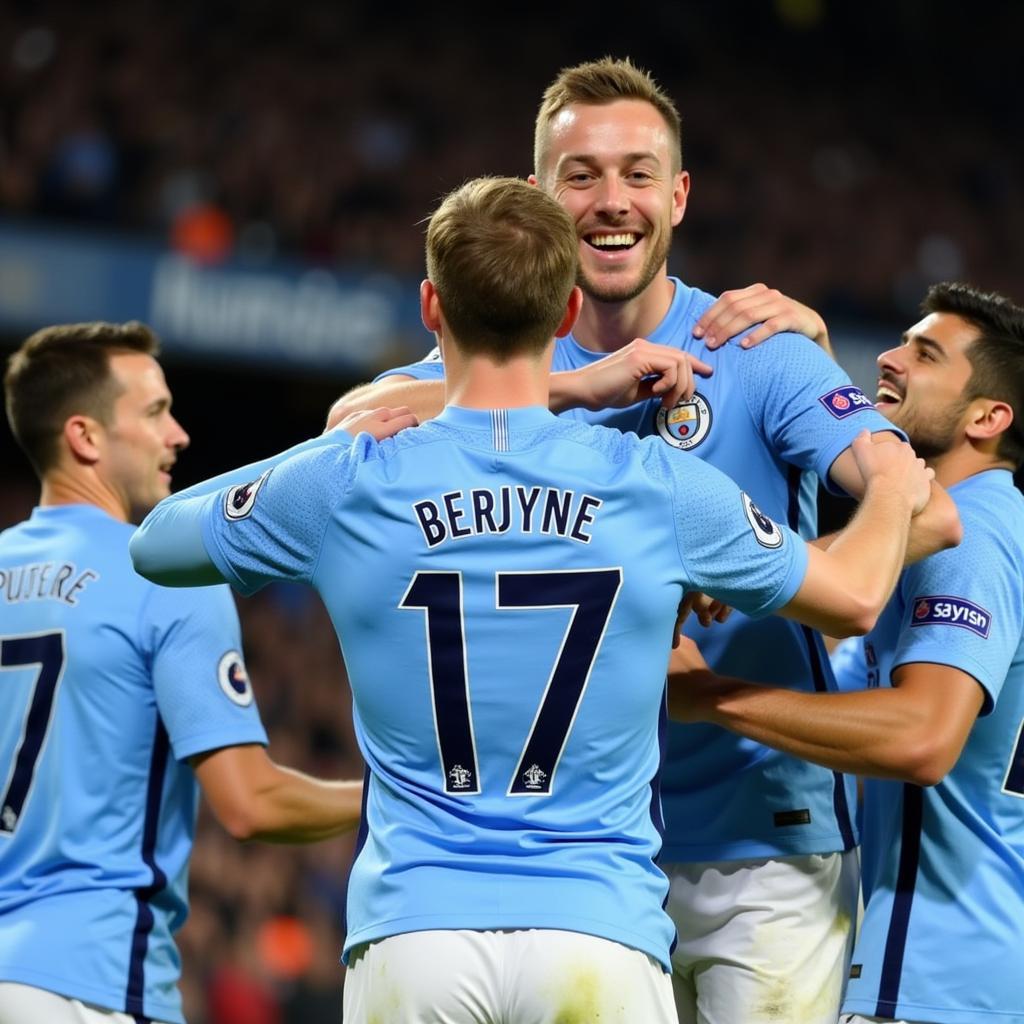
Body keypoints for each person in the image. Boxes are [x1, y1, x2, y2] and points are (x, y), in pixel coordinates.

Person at [130, 175, 940, 1024]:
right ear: (563, 316)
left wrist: (329, 452)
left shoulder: (351, 482)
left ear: (431, 307)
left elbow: (156, 542)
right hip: (596, 938)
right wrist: (888, 485)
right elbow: (852, 596)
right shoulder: (659, 486)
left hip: (416, 934)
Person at [323, 57, 960, 1023]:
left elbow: (926, 505)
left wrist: (764, 574)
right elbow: (347, 430)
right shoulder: (492, 355)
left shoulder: (759, 347)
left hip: (759, 848)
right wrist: (579, 384)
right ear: (538, 195)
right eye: (580, 175)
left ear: (679, 194)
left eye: (637, 173)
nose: (611, 201)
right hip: (568, 864)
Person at [0, 322, 396, 1024]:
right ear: (86, 438)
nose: (179, 435)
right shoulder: (164, 576)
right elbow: (250, 802)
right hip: (87, 981)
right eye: (154, 412)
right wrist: (403, 797)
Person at [670, 281, 1024, 1024]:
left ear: (989, 417)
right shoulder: (990, 530)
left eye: (924, 355)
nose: (890, 358)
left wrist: (713, 697)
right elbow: (838, 677)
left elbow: (920, 735)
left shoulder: (977, 533)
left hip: (939, 969)